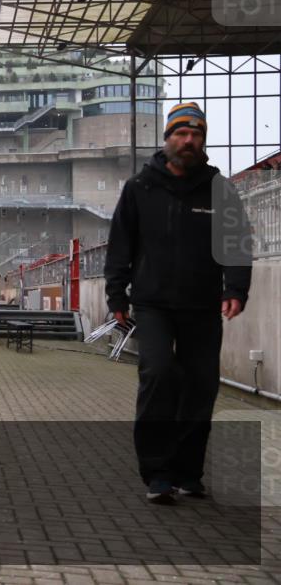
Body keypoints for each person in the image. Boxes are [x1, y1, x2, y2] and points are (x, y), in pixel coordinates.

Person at [104, 102, 252, 505]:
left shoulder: (219, 188)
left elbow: (237, 242)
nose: (189, 140)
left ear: (203, 141)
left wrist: (236, 289)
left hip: (202, 304)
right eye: (182, 133)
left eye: (196, 134)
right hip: (152, 303)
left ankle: (188, 472)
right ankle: (157, 473)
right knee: (159, 374)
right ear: (167, 138)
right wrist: (116, 295)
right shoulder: (139, 187)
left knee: (201, 386)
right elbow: (121, 245)